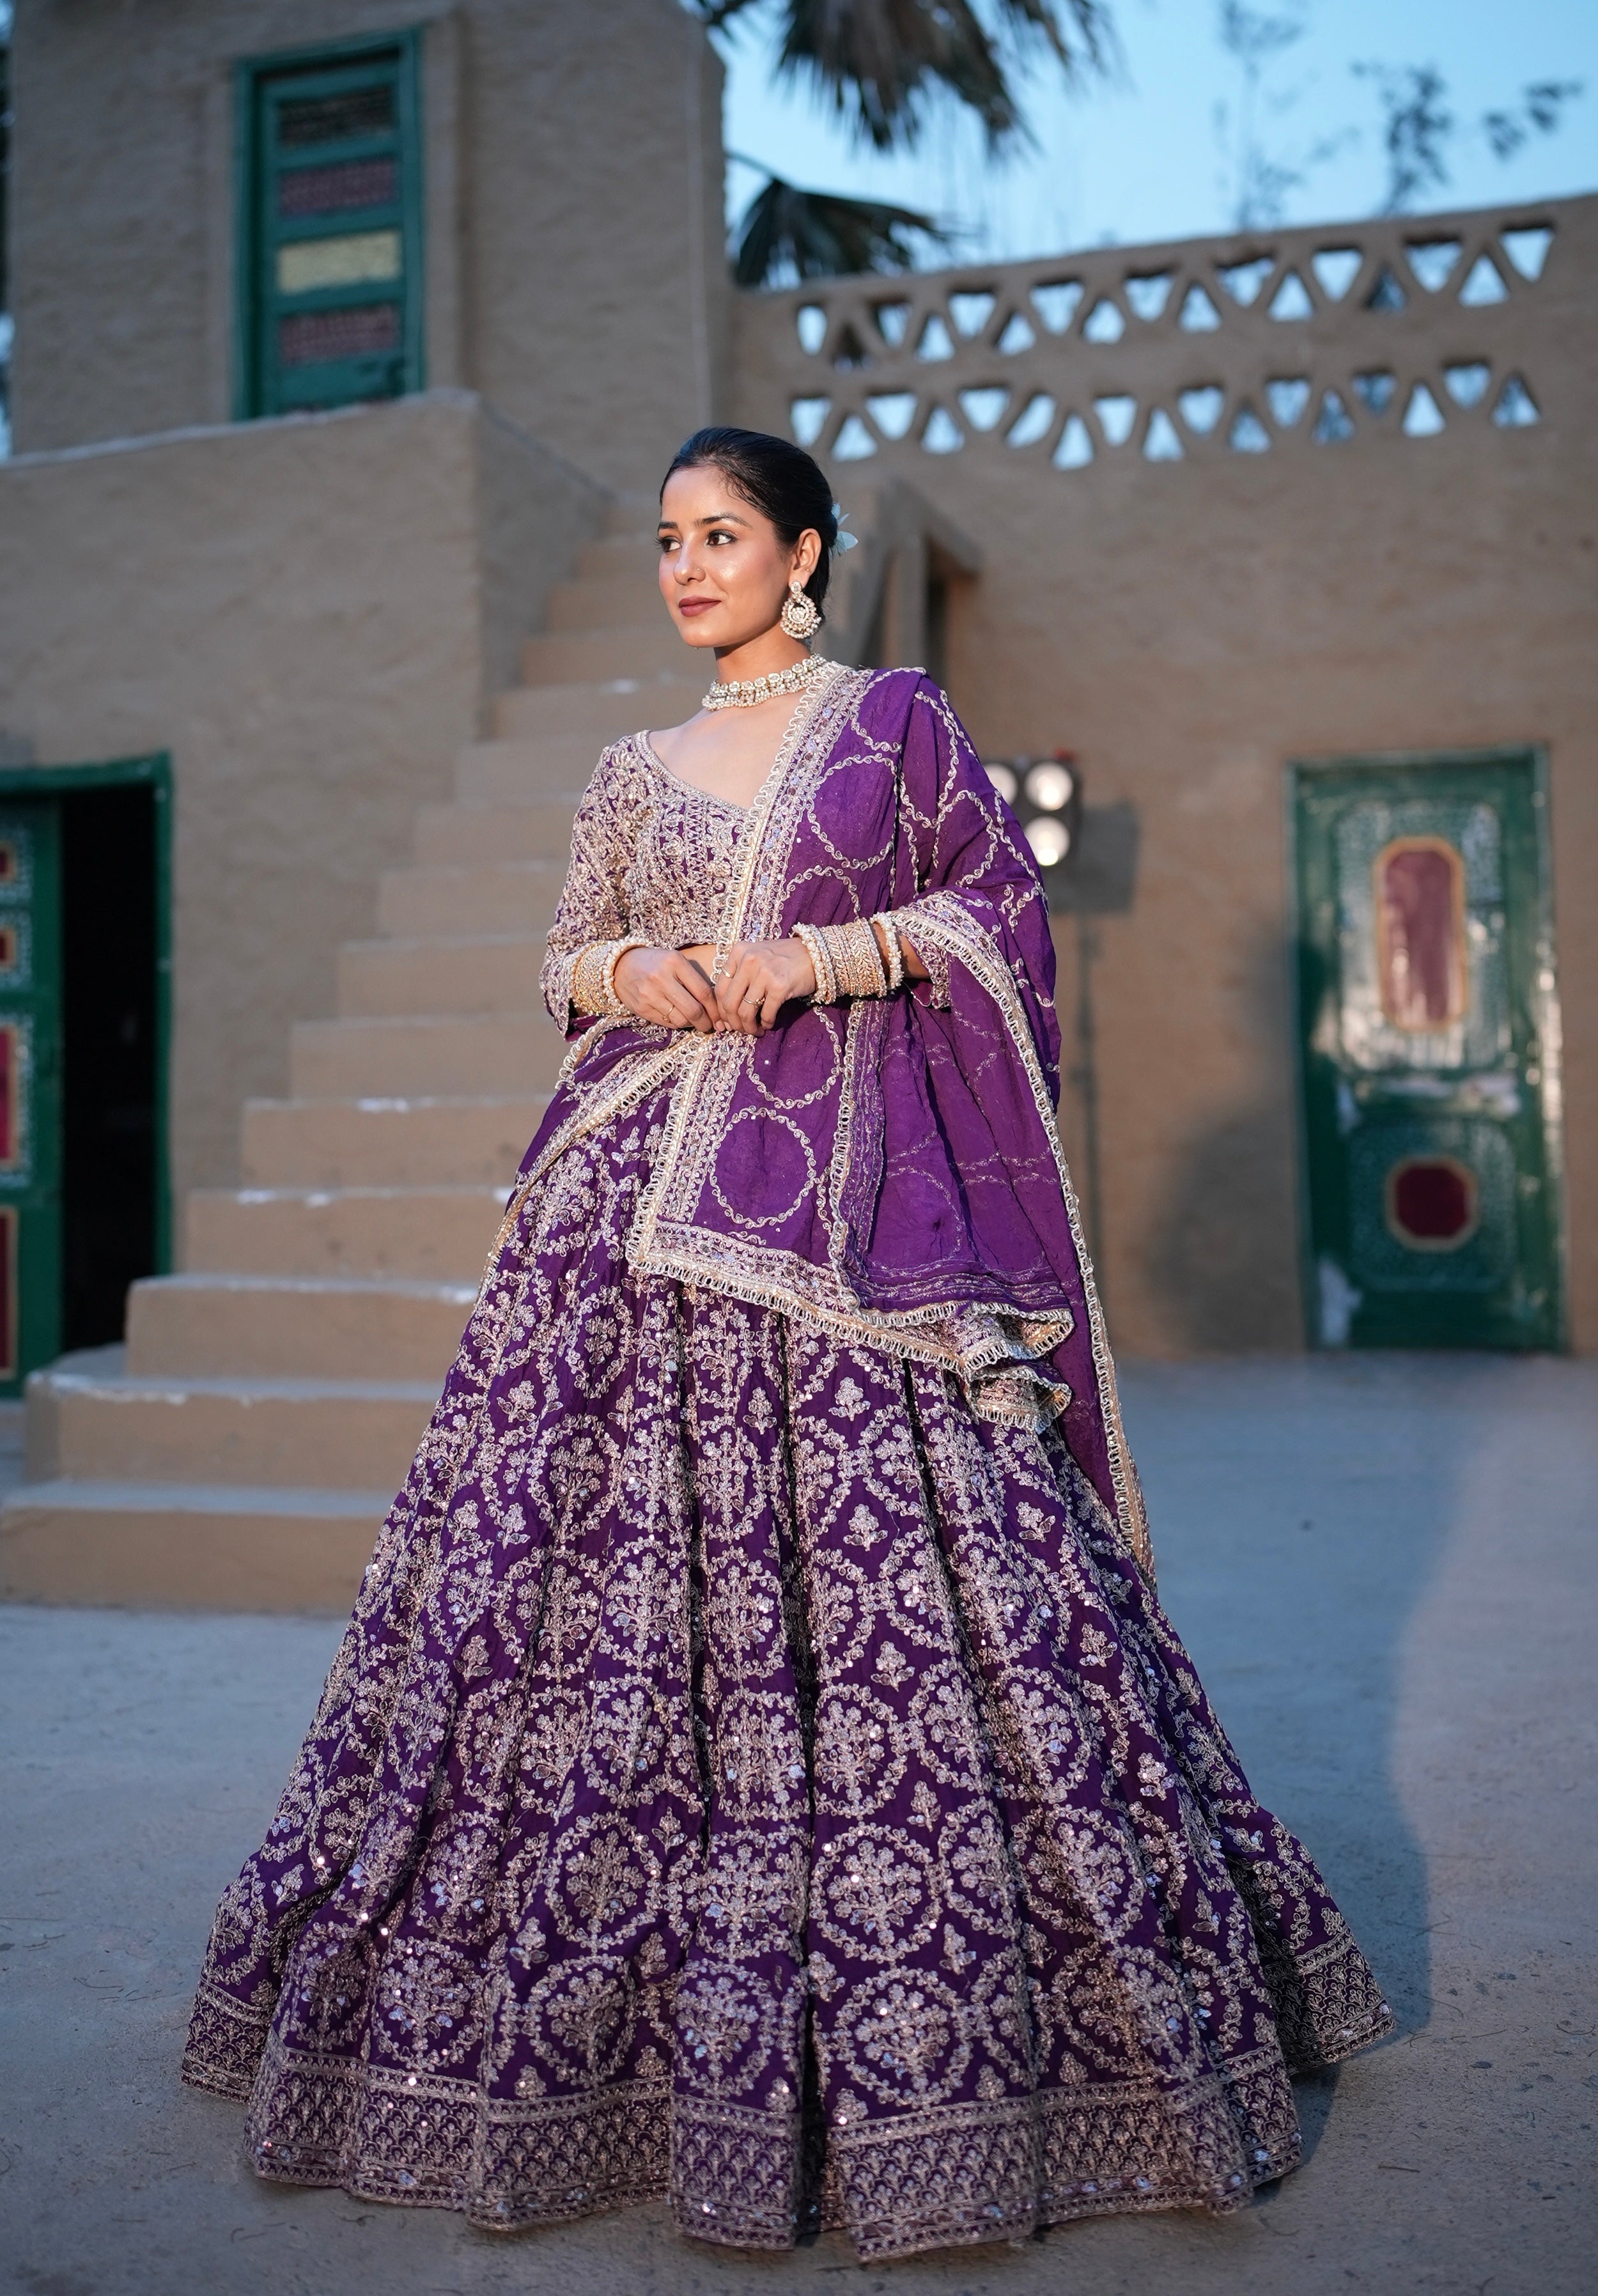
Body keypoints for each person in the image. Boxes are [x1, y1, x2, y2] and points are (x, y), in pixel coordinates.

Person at [182, 425, 1392, 2262]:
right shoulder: (629, 766)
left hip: (846, 1209)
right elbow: (565, 954)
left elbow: (997, 911)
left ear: (804, 553)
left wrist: (819, 962)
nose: (687, 568)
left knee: (932, 1582)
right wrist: (632, 974)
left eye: (723, 535)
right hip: (621, 1203)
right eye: (669, 540)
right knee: (557, 1600)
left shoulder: (893, 724)